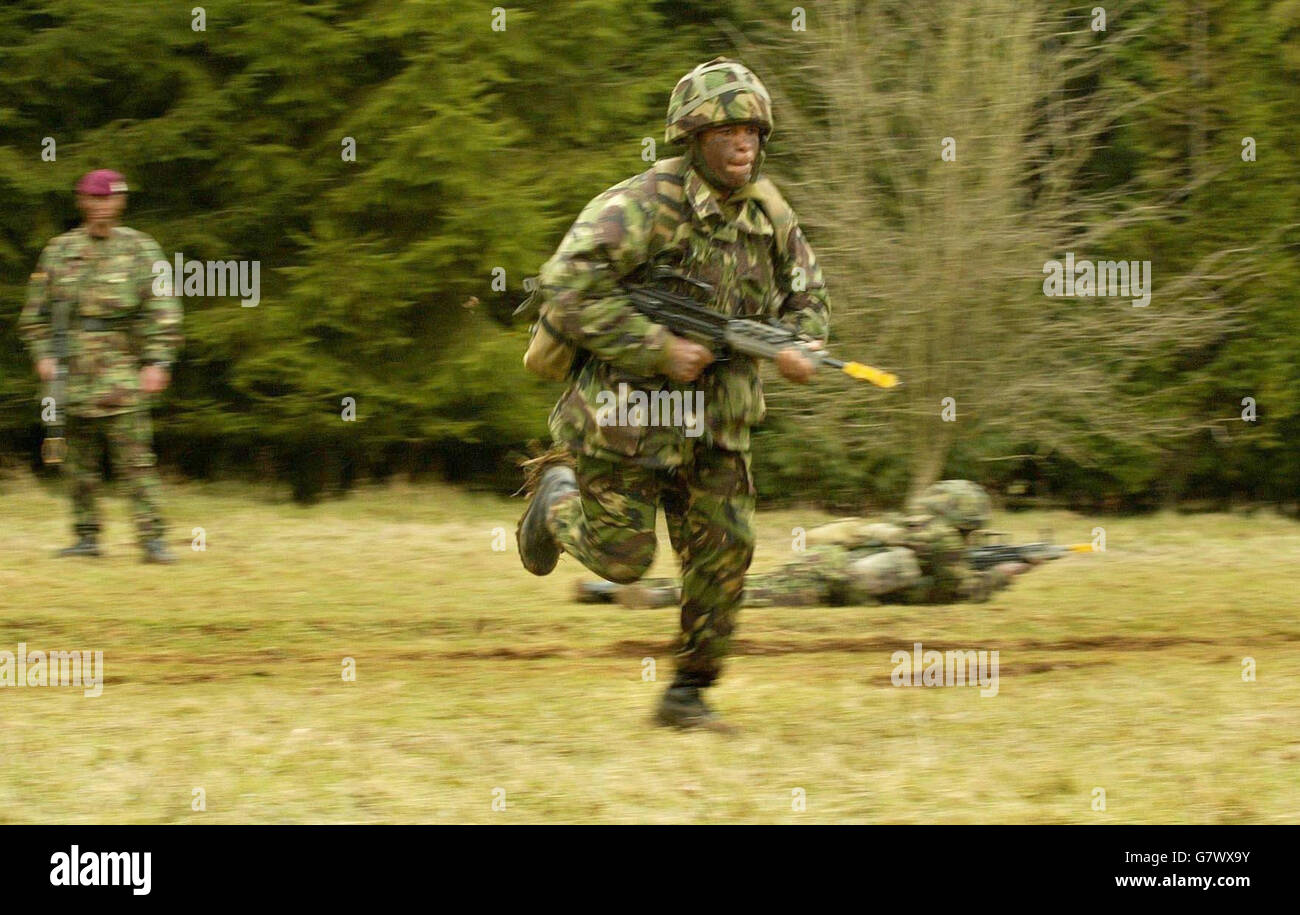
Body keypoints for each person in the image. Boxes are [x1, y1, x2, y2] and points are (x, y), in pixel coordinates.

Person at [516, 59, 831, 730]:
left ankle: (687, 693)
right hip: (626, 418)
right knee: (623, 561)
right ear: (693, 136)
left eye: (753, 131)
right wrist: (657, 347)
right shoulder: (638, 206)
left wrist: (801, 346)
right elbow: (565, 286)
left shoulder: (772, 215)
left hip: (716, 422)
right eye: (728, 131)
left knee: (725, 553)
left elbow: (808, 296)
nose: (744, 144)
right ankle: (556, 504)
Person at [19, 169, 183, 563]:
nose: (102, 206)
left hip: (122, 371)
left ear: (121, 202)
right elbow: (34, 316)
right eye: (94, 198)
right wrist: (43, 354)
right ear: (82, 202)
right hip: (71, 372)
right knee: (78, 463)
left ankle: (152, 540)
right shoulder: (58, 251)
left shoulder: (143, 250)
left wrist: (158, 360)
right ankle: (86, 537)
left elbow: (164, 311)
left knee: (136, 461)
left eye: (109, 198)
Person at [576, 481, 1033, 608]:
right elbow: (958, 588)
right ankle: (646, 597)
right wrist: (1001, 577)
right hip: (831, 580)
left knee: (738, 585)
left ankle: (606, 591)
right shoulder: (941, 538)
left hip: (829, 563)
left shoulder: (918, 525)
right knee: (739, 594)